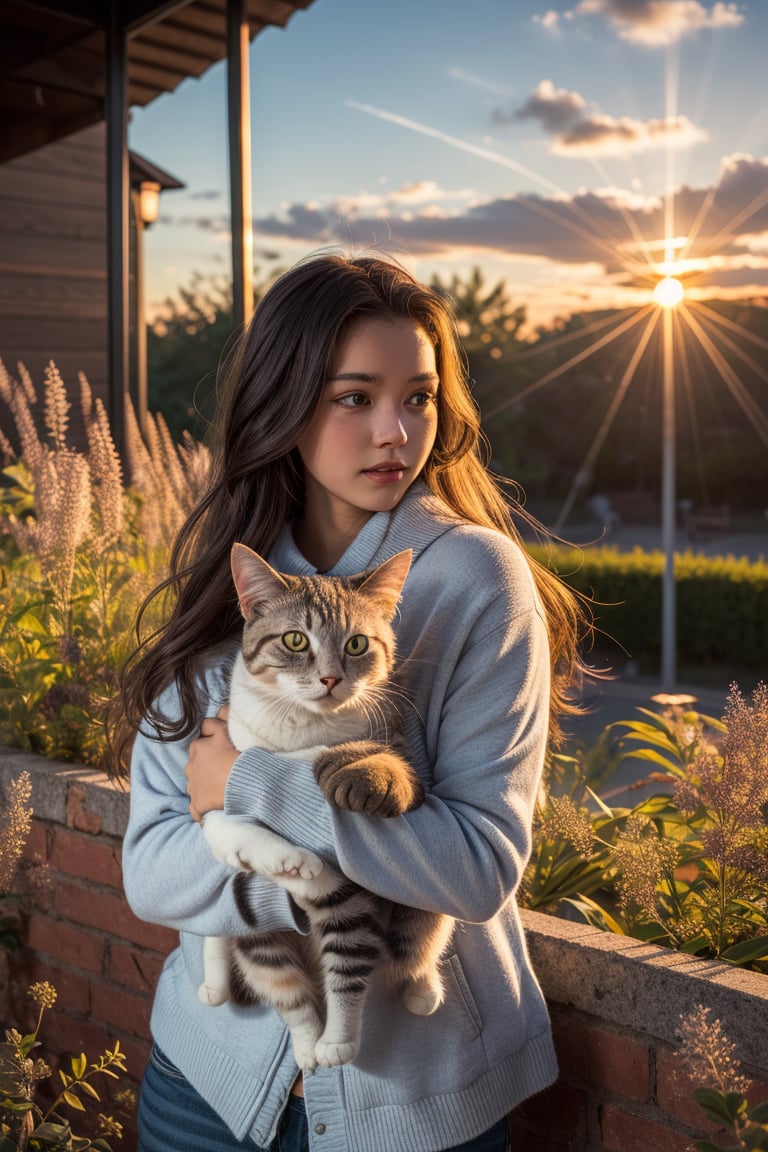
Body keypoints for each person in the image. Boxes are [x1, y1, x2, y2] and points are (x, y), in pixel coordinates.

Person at [116, 252, 589, 1152]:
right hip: (203, 1087)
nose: (394, 433)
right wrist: (312, 881)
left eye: (419, 398)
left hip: (410, 1102)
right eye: (355, 397)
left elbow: (477, 870)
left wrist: (251, 794)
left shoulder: (474, 579)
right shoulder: (229, 588)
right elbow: (152, 873)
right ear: (283, 402)